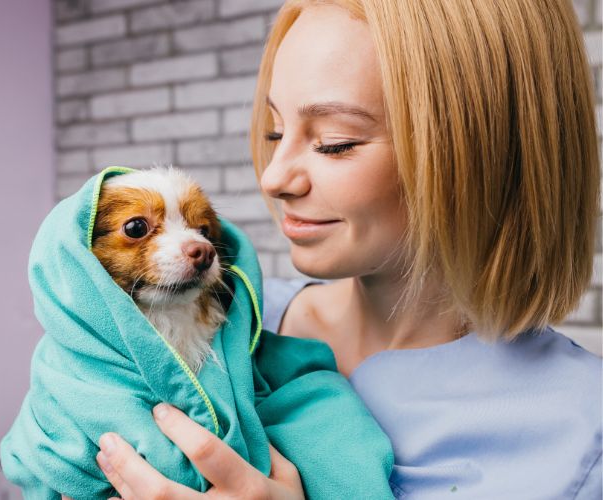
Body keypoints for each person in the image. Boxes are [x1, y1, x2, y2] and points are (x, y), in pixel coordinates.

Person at [76, 0, 602, 498]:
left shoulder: (580, 433)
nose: (276, 177)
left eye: (335, 142)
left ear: (484, 150)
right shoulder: (214, 316)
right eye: (274, 131)